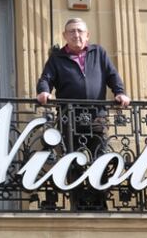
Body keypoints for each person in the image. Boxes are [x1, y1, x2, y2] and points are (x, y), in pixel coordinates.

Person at [36, 18, 130, 210]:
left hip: (97, 116)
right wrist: (44, 91)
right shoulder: (57, 58)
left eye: (79, 31)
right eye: (71, 31)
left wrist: (120, 92)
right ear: (65, 36)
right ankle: (77, 202)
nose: (76, 35)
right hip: (69, 117)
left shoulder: (99, 53)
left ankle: (99, 201)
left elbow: (112, 75)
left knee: (100, 157)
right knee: (73, 160)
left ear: (87, 35)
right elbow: (46, 78)